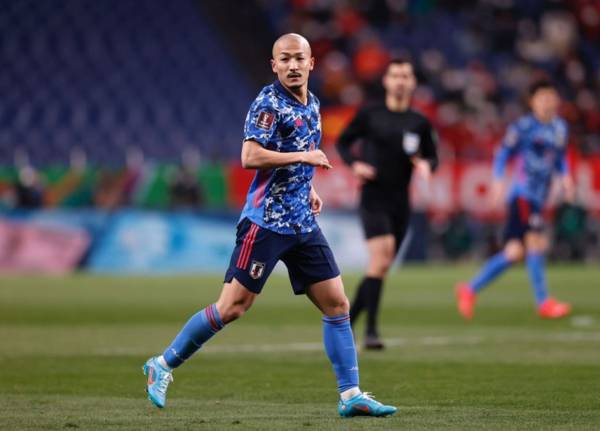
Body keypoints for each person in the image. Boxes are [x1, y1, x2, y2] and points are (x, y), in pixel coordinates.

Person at [143, 33, 397, 418]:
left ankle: (351, 396)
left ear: (312, 64)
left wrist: (308, 186)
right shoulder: (267, 103)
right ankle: (162, 365)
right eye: (285, 59)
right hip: (265, 224)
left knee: (337, 304)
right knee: (232, 307)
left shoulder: (312, 104)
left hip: (302, 223)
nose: (293, 65)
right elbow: (250, 156)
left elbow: (297, 160)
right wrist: (305, 157)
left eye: (299, 58)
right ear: (274, 65)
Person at [336, 58, 438, 349]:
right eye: (395, 75)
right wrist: (355, 164)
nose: (400, 81)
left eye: (406, 76)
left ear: (413, 83)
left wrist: (427, 166)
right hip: (373, 196)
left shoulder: (419, 122)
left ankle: (347, 323)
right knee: (380, 260)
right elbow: (344, 142)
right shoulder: (371, 114)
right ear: (386, 81)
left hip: (400, 201)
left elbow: (432, 156)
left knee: (380, 267)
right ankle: (371, 333)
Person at [455, 80, 574, 320]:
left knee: (514, 252)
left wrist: (566, 177)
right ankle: (544, 303)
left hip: (539, 198)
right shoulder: (523, 127)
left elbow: (560, 156)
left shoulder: (561, 128)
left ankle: (469, 289)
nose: (548, 102)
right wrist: (498, 182)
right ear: (532, 102)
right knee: (536, 242)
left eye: (551, 97)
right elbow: (503, 154)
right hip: (523, 195)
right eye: (542, 98)